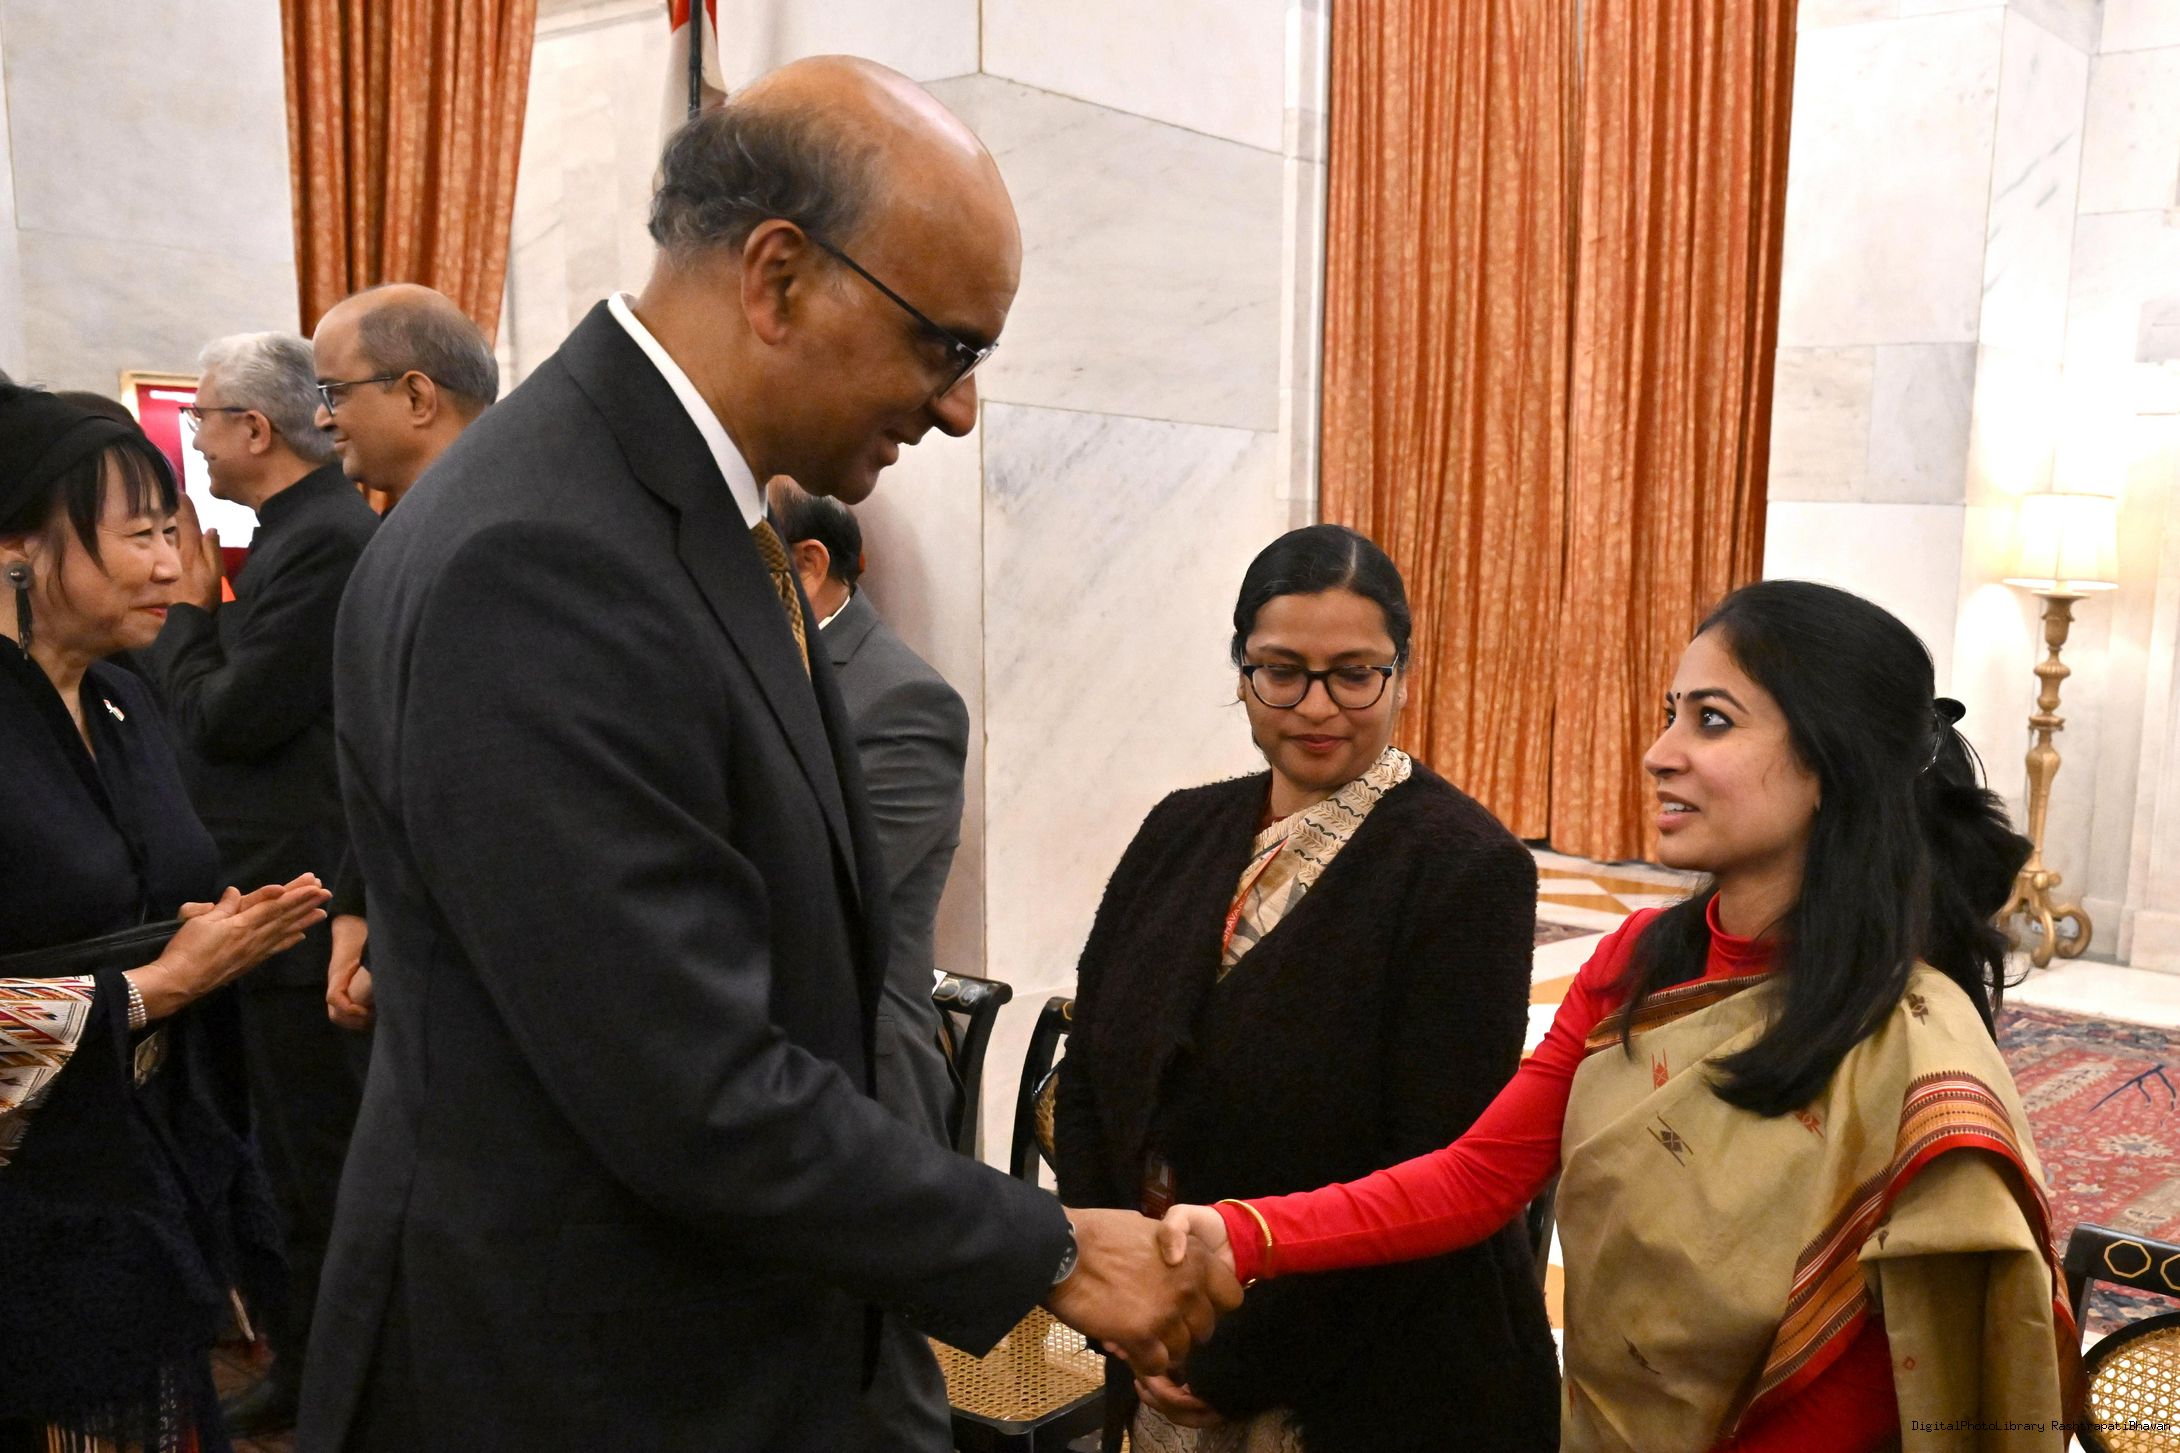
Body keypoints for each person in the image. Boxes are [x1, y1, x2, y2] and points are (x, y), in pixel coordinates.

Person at [301, 57, 1238, 1453]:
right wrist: (1048, 1248)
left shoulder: (682, 512)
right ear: (780, 279)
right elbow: (684, 1084)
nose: (960, 409)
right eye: (947, 346)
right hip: (573, 1378)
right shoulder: (543, 554)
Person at [1164, 580, 2082, 1452]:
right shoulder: (1642, 960)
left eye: (1712, 720)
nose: (1660, 752)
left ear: (1832, 762)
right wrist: (1243, 1234)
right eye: (1671, 712)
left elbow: (1874, 1382)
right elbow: (1478, 1177)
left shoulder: (1917, 1051)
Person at [1058, 525, 1558, 1453]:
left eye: (1354, 673)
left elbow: (1433, 1168)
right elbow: (1091, 1072)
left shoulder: (1465, 868)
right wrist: (1119, 1294)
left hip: (1368, 1378)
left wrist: (1232, 1357)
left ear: (1402, 673)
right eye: (1282, 671)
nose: (1317, 705)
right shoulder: (1180, 828)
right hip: (1156, 1340)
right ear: (1241, 670)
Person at [0, 383, 330, 1452]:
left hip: (139, 1187)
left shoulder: (121, 696)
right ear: (18, 549)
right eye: (137, 536)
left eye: (171, 531)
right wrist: (159, 982)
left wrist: (203, 936)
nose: (172, 567)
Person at [136, 331, 380, 1438]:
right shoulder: (293, 533)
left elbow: (228, 717)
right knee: (274, 1165)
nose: (193, 440)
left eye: (201, 419)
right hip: (266, 901)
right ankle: (305, 1362)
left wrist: (193, 614)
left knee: (313, 1168)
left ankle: (336, 1388)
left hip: (301, 905)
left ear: (252, 426)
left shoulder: (325, 538)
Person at [770, 477, 968, 1453]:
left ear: (808, 566)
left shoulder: (900, 698)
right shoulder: (764, 670)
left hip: (863, 1070)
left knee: (879, 1381)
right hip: (770, 1061)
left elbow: (828, 900)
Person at [306, 284, 497, 1035]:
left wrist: (391, 950)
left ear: (417, 396)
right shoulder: (412, 527)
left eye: (335, 392)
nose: (321, 417)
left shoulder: (491, 537)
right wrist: (356, 905)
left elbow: (469, 785)